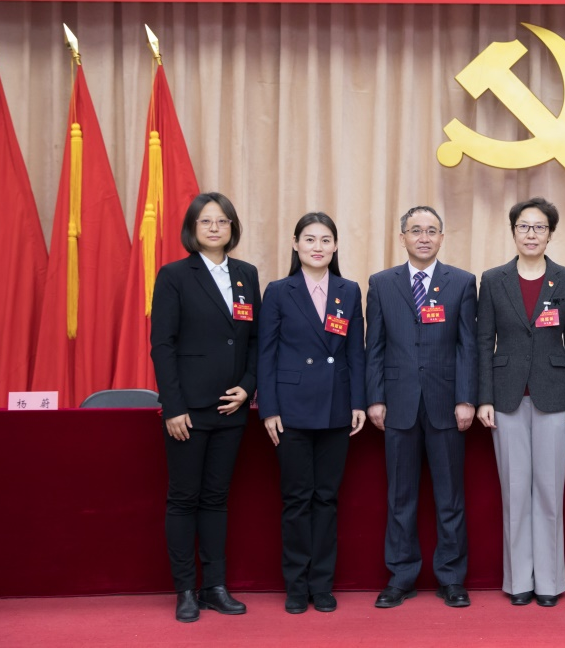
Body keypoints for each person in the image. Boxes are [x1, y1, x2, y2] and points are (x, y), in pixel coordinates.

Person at [151, 192, 260, 624]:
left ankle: (214, 586)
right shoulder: (174, 275)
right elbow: (163, 345)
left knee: (217, 499)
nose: (215, 228)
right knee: (184, 499)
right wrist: (173, 406)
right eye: (206, 221)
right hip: (188, 411)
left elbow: (255, 340)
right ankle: (185, 590)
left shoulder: (246, 274)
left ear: (233, 227)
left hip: (232, 409)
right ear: (192, 229)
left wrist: (248, 387)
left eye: (222, 221)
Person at [365, 205, 477, 610]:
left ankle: (451, 578)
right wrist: (375, 398)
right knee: (401, 497)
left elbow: (468, 346)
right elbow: (374, 346)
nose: (424, 237)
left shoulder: (462, 282)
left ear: (442, 237)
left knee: (450, 498)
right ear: (403, 238)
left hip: (447, 403)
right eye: (416, 230)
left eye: (431, 230)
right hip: (397, 404)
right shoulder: (381, 284)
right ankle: (401, 576)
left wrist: (466, 398)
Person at [476, 197, 565, 607]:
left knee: (549, 491)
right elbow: (484, 341)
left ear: (550, 233)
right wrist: (483, 397)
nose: (531, 234)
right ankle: (519, 580)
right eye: (524, 226)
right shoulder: (493, 279)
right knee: (515, 492)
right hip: (505, 397)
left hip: (555, 396)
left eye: (540, 227)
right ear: (513, 231)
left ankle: (550, 583)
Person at [257, 212, 367, 615]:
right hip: (291, 411)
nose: (317, 247)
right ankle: (295, 585)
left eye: (325, 240)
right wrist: (268, 408)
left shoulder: (349, 290)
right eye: (309, 239)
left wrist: (358, 402)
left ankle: (322, 584)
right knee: (297, 499)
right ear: (295, 244)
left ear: (335, 246)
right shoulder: (278, 291)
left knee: (326, 499)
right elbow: (266, 354)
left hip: (337, 408)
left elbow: (356, 351)